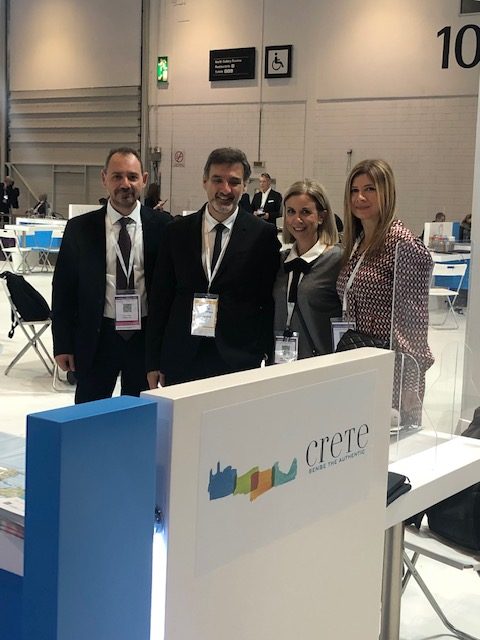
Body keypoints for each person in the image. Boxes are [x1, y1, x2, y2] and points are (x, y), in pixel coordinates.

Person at [146, 147, 280, 387]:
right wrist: (153, 359)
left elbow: (266, 301)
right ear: (204, 182)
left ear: (245, 186)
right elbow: (160, 298)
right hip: (181, 354)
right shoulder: (176, 232)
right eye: (217, 180)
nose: (225, 189)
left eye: (234, 182)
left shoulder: (263, 235)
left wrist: (265, 354)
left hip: (237, 357)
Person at [52, 147, 171, 403]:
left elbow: (170, 291)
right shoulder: (79, 229)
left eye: (132, 176)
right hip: (97, 336)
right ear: (104, 178)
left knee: (138, 412)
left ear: (144, 180)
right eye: (117, 176)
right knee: (89, 413)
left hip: (144, 337)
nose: (125, 184)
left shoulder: (165, 227)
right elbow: (63, 289)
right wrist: (62, 343)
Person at [337, 159, 434, 426]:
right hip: (357, 360)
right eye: (354, 190)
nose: (360, 197)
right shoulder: (357, 242)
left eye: (370, 189)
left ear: (386, 192)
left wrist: (410, 383)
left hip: (391, 369)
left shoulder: (402, 245)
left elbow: (415, 324)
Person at [273, 180, 342, 361]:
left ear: (321, 217)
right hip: (281, 362)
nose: (297, 220)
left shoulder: (336, 260)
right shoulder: (280, 261)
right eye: (291, 212)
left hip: (320, 364)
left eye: (305, 212)